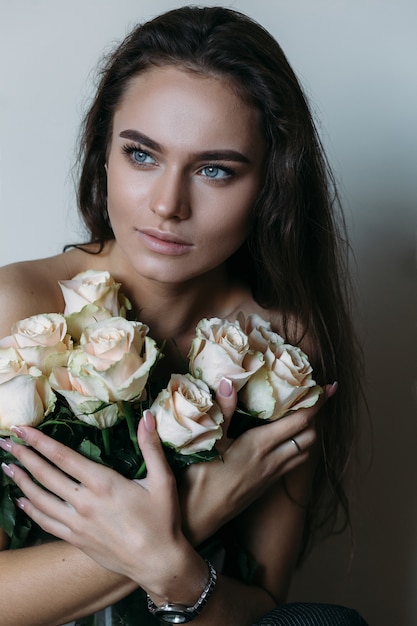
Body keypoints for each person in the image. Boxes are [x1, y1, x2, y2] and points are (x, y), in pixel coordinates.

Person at [0, 6, 367, 626]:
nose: (168, 204)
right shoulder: (19, 309)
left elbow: (263, 607)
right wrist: (194, 511)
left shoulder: (282, 350)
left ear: (271, 186)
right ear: (104, 155)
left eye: (215, 170)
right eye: (142, 155)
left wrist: (177, 576)